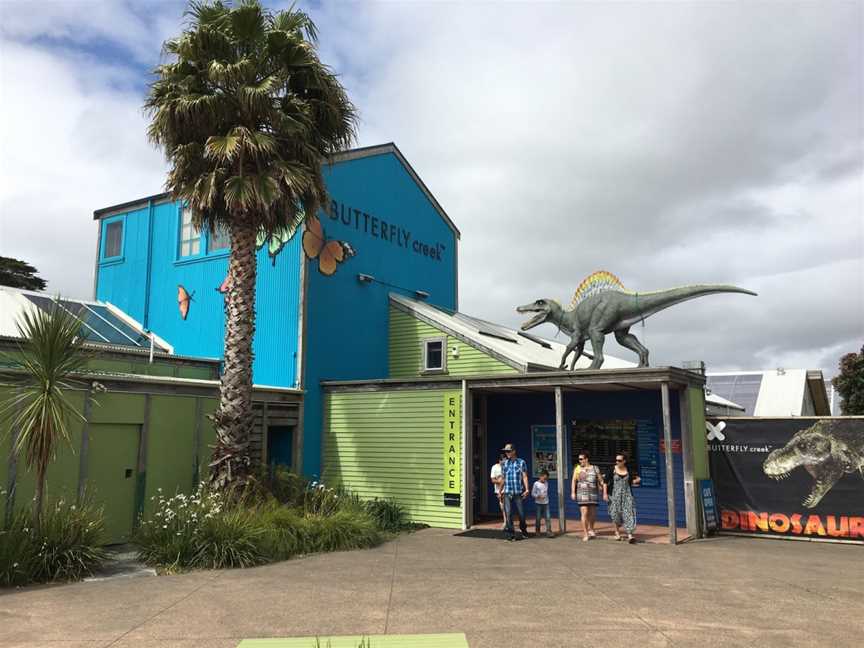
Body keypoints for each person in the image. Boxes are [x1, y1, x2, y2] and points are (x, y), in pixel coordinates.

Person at [604, 452, 641, 543]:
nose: (617, 462)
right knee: (615, 514)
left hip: (627, 495)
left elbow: (633, 480)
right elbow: (605, 482)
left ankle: (630, 535)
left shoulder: (628, 470)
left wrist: (637, 480)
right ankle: (617, 532)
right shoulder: (612, 469)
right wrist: (604, 494)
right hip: (614, 495)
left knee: (629, 513)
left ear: (624, 461)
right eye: (616, 460)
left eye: (619, 460)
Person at [570, 451, 605, 541]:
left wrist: (602, 486)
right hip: (582, 493)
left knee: (592, 513)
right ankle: (585, 533)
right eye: (579, 459)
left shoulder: (595, 468)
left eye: (581, 459)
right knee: (584, 512)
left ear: (586, 459)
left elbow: (600, 479)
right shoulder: (577, 468)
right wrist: (573, 492)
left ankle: (591, 529)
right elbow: (574, 481)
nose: (580, 461)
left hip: (593, 493)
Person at [500, 442, 529, 541]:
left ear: (514, 451)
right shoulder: (504, 463)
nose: (507, 453)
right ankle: (511, 534)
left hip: (518, 491)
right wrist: (500, 491)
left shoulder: (521, 462)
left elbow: (524, 476)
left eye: (508, 451)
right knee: (508, 513)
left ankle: (524, 530)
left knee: (521, 513)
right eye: (505, 452)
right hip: (507, 492)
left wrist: (527, 489)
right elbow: (503, 478)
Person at [532, 469, 553, 538]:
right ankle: (537, 531)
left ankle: (549, 531)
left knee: (548, 517)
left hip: (546, 503)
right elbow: (533, 494)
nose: (545, 479)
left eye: (546, 478)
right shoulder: (536, 484)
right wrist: (538, 496)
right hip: (538, 503)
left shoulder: (546, 483)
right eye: (544, 478)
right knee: (538, 518)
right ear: (540, 476)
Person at [490, 453, 506, 529]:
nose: (504, 461)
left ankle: (506, 521)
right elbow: (493, 480)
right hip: (498, 490)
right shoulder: (494, 467)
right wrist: (499, 481)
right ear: (499, 460)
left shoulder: (507, 466)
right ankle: (506, 521)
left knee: (506, 505)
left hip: (507, 489)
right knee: (502, 505)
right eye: (503, 460)